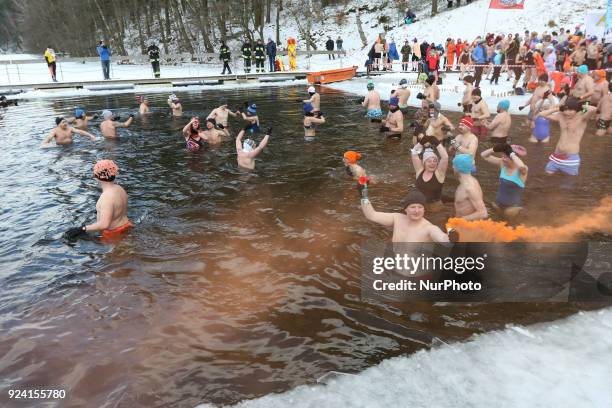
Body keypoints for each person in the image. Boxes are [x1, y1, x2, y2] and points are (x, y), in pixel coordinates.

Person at [64, 160, 133, 241]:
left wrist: (82, 229)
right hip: (128, 225)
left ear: (96, 177)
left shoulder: (106, 197)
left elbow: (104, 224)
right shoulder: (119, 188)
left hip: (114, 234)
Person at [360, 189, 452, 243]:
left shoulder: (429, 228)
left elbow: (441, 238)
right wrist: (363, 196)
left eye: (420, 207)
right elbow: (371, 215)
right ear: (406, 209)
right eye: (412, 207)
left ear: (424, 209)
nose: (416, 211)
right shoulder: (397, 218)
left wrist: (450, 236)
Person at [539, 97, 597, 176]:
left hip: (570, 159)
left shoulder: (582, 117)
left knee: (568, 185)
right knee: (545, 179)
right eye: (566, 110)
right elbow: (542, 114)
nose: (567, 112)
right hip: (556, 157)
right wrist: (559, 108)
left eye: (570, 110)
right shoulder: (561, 116)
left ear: (576, 109)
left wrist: (578, 105)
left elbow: (593, 109)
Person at [481, 144, 528, 218]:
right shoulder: (502, 163)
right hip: (497, 205)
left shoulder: (522, 170)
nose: (503, 159)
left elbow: (522, 167)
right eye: (502, 156)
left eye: (506, 157)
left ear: (514, 158)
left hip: (513, 209)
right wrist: (494, 149)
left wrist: (511, 153)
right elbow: (483, 155)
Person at [411, 136, 449, 212]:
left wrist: (437, 143)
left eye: (435, 161)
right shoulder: (419, 171)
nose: (432, 163)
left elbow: (445, 157)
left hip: (434, 208)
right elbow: (413, 153)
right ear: (424, 163)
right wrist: (420, 143)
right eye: (429, 161)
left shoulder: (439, 174)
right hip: (419, 207)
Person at [452, 154, 488, 220]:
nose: (453, 167)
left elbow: (483, 213)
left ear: (458, 168)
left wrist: (460, 220)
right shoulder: (466, 183)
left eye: (454, 165)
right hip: (461, 223)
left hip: (468, 225)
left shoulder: (469, 187)